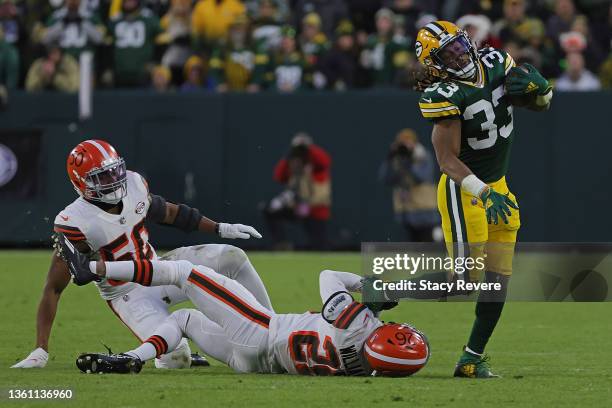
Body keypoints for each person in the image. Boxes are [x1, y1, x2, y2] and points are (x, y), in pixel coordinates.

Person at [11, 139, 272, 369]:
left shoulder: (135, 184)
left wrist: (220, 228)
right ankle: (205, 346)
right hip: (128, 294)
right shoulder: (75, 221)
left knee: (232, 257)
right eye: (101, 177)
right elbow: (53, 289)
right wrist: (41, 348)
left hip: (160, 269)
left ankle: (272, 327)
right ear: (81, 183)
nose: (112, 181)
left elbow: (169, 213)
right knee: (175, 357)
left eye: (113, 172)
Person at [56, 236, 429, 377]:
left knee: (186, 272)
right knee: (184, 318)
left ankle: (92, 268)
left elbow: (328, 275)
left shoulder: (357, 324)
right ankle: (134, 358)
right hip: (257, 365)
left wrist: (367, 286)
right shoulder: (367, 368)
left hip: (260, 330)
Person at [414, 20, 553, 377]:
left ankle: (471, 358)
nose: (459, 54)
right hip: (467, 190)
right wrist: (482, 192)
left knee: (497, 278)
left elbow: (536, 105)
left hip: (499, 189)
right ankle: (374, 292)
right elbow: (446, 160)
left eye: (460, 45)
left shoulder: (496, 62)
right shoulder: (443, 94)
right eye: (449, 53)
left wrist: (543, 91)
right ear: (435, 62)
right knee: (465, 281)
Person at [264, 133, 331, 250]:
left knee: (320, 244)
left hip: (314, 208)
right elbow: (279, 176)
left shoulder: (317, 167)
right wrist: (289, 154)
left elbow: (325, 161)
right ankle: (282, 243)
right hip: (296, 206)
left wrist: (308, 148)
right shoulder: (293, 165)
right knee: (269, 211)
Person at [379, 129, 440, 242]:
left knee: (427, 246)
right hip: (405, 210)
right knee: (410, 249)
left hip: (424, 208)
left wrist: (409, 163)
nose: (405, 146)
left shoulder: (423, 155)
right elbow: (386, 179)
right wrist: (389, 158)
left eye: (408, 142)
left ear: (414, 143)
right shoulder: (397, 157)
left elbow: (424, 177)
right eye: (402, 143)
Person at [108, 0, 162, 87]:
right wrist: (108, 67)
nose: (129, 2)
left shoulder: (149, 18)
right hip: (119, 72)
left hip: (142, 72)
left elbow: (160, 40)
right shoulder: (115, 19)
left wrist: (154, 62)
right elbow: (106, 44)